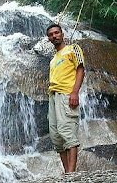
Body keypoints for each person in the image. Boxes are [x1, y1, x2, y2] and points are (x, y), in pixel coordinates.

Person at [46, 23, 85, 173]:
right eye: (51, 34)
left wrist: (74, 92)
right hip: (53, 96)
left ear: (62, 34)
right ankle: (66, 172)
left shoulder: (72, 49)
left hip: (66, 94)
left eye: (56, 33)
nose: (54, 36)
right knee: (56, 137)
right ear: (48, 39)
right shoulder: (53, 59)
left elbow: (80, 69)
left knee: (67, 131)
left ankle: (71, 174)